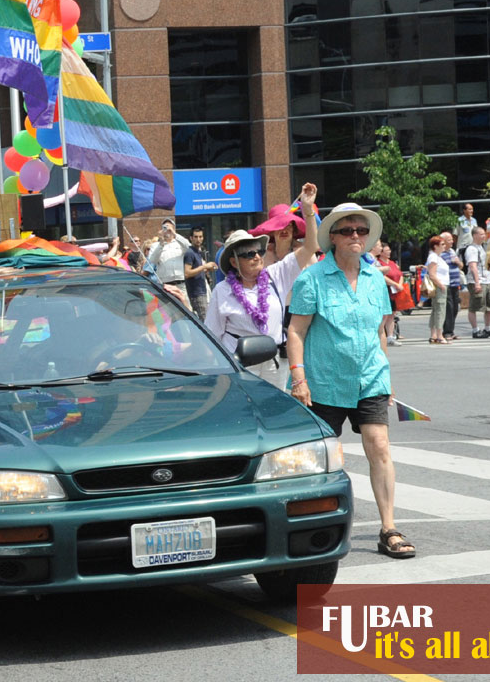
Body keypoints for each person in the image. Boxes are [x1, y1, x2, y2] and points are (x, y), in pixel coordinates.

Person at [285, 202, 414, 560]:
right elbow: (296, 331)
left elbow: (380, 331)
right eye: (346, 231)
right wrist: (299, 378)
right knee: (318, 458)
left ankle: (389, 528)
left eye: (360, 230)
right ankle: (310, 528)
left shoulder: (375, 278)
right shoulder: (312, 278)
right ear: (333, 238)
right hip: (323, 381)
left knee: (380, 447)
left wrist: (385, 376)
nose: (355, 236)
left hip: (369, 378)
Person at [203, 183, 318, 389]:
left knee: (274, 412)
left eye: (258, 251)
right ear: (233, 261)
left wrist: (308, 210)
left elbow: (310, 246)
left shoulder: (276, 275)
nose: (256, 256)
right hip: (240, 363)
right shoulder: (223, 291)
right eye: (248, 253)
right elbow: (213, 333)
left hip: (275, 362)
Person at [463, 226, 490, 338]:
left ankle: (487, 328)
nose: (483, 236)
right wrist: (477, 282)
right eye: (481, 234)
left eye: (484, 234)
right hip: (477, 280)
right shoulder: (471, 249)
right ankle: (475, 330)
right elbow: (473, 266)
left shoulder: (481, 247)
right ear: (475, 235)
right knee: (474, 306)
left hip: (486, 280)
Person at [147, 220, 193, 293]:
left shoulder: (179, 243)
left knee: (183, 303)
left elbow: (189, 247)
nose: (167, 231)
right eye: (165, 228)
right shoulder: (156, 245)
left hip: (180, 284)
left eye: (169, 228)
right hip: (165, 284)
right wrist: (161, 243)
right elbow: (153, 260)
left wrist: (174, 234)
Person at [374, 241, 403, 345]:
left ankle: (390, 336)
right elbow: (381, 275)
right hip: (385, 288)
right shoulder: (376, 261)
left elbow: (400, 274)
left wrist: (399, 284)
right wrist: (395, 284)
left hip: (393, 291)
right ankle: (381, 336)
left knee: (391, 314)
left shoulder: (392, 263)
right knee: (383, 315)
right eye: (386, 250)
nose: (389, 252)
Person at [424, 236, 450, 344]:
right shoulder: (433, 257)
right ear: (435, 246)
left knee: (436, 309)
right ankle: (439, 334)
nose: (444, 247)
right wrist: (441, 285)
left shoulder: (437, 257)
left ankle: (434, 334)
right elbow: (432, 274)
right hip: (440, 285)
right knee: (440, 310)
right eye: (442, 244)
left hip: (441, 284)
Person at [439, 232, 463, 341]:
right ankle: (447, 332)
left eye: (452, 239)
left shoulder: (452, 251)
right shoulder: (440, 253)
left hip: (455, 283)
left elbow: (461, 266)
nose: (452, 241)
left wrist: (458, 262)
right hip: (446, 283)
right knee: (449, 308)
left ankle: (451, 330)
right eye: (449, 240)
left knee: (455, 307)